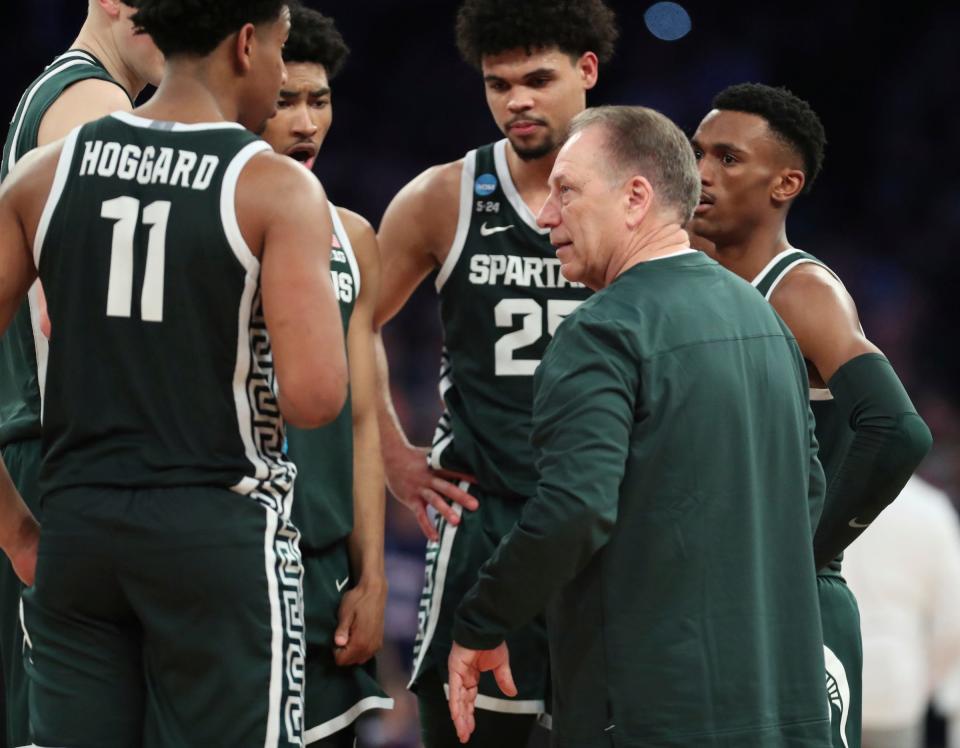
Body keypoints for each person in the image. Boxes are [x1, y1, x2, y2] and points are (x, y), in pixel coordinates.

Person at [0, 0, 348, 744]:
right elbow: (317, 398)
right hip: (213, 532)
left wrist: (13, 527)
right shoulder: (276, 187)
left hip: (76, 529)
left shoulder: (44, 172)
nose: (283, 74)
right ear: (247, 44)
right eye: (284, 52)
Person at [446, 104, 832, 747]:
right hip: (782, 706)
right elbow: (808, 493)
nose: (546, 216)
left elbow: (573, 509)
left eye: (566, 191)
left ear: (635, 198)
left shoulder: (602, 331)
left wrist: (481, 621)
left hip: (650, 710)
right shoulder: (764, 319)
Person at [374, 1, 618, 744]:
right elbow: (352, 321)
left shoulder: (645, 200)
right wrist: (393, 456)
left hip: (610, 523)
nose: (517, 100)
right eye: (497, 83)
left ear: (587, 71)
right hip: (487, 521)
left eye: (538, 79)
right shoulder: (442, 196)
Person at [690, 82, 933, 748]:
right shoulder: (685, 281)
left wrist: (804, 554)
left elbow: (898, 429)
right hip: (705, 604)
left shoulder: (800, 291)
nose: (702, 172)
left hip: (791, 609)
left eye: (728, 158)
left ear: (784, 183)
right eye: (697, 152)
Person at [0, 3, 163, 745]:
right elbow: (100, 317)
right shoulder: (90, 103)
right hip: (66, 466)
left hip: (44, 465)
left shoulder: (59, 96)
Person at [260, 6, 393, 745]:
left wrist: (371, 576)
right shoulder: (205, 217)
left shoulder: (355, 236)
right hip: (227, 558)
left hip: (321, 572)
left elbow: (365, 420)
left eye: (320, 99)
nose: (306, 122)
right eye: (285, 102)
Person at [843, 475, 960, 748]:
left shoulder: (825, 496)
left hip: (827, 683)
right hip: (896, 686)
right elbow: (953, 619)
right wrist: (927, 677)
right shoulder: (930, 508)